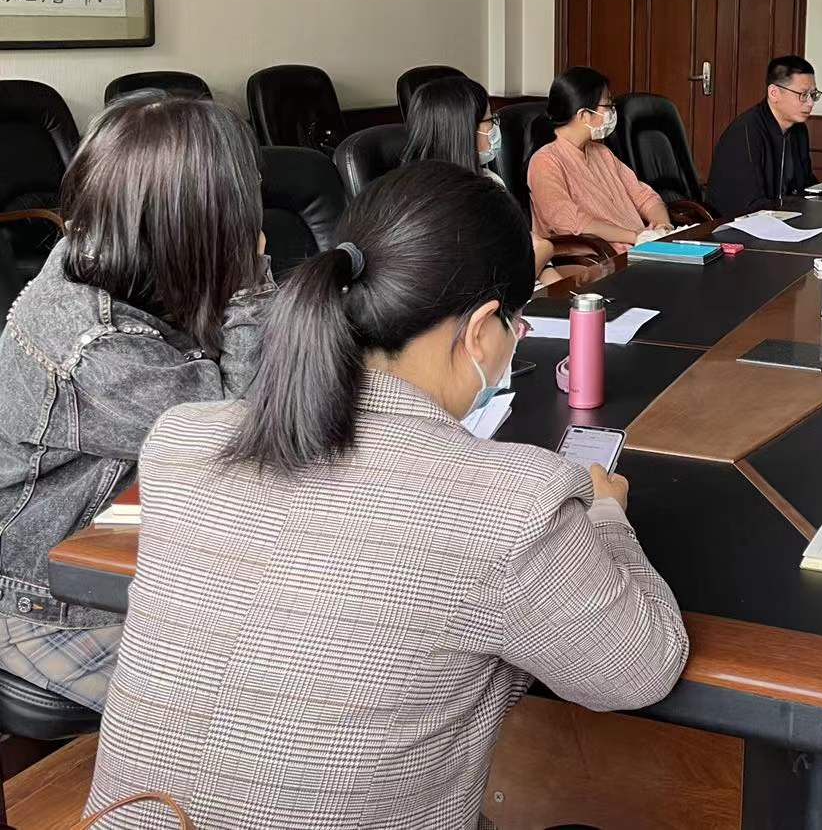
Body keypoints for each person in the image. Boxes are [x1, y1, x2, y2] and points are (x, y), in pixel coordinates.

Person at [84, 162, 689, 828]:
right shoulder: (512, 503)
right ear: (481, 328)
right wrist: (606, 514)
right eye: (516, 322)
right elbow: (639, 670)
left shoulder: (182, 439)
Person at [0, 93, 274, 711]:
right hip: (49, 606)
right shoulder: (95, 346)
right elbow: (239, 431)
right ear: (198, 220)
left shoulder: (120, 265)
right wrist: (249, 278)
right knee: (273, 694)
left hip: (130, 545)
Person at [403, 75, 558, 277]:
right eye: (490, 120)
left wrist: (550, 274)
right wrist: (543, 252)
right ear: (464, 130)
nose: (495, 128)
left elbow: (522, 245)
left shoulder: (489, 179)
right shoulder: (431, 207)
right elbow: (493, 282)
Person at [527, 67, 672, 252]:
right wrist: (636, 236)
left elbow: (644, 196)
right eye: (608, 106)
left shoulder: (602, 152)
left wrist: (662, 227)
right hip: (598, 259)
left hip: (639, 249)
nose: (613, 112)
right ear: (583, 115)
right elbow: (570, 222)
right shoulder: (545, 162)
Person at [706, 55, 819, 217]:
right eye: (803, 94)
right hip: (738, 223)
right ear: (774, 93)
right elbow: (747, 204)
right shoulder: (746, 132)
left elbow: (805, 185)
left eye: (813, 95)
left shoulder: (799, 130)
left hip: (783, 217)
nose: (810, 103)